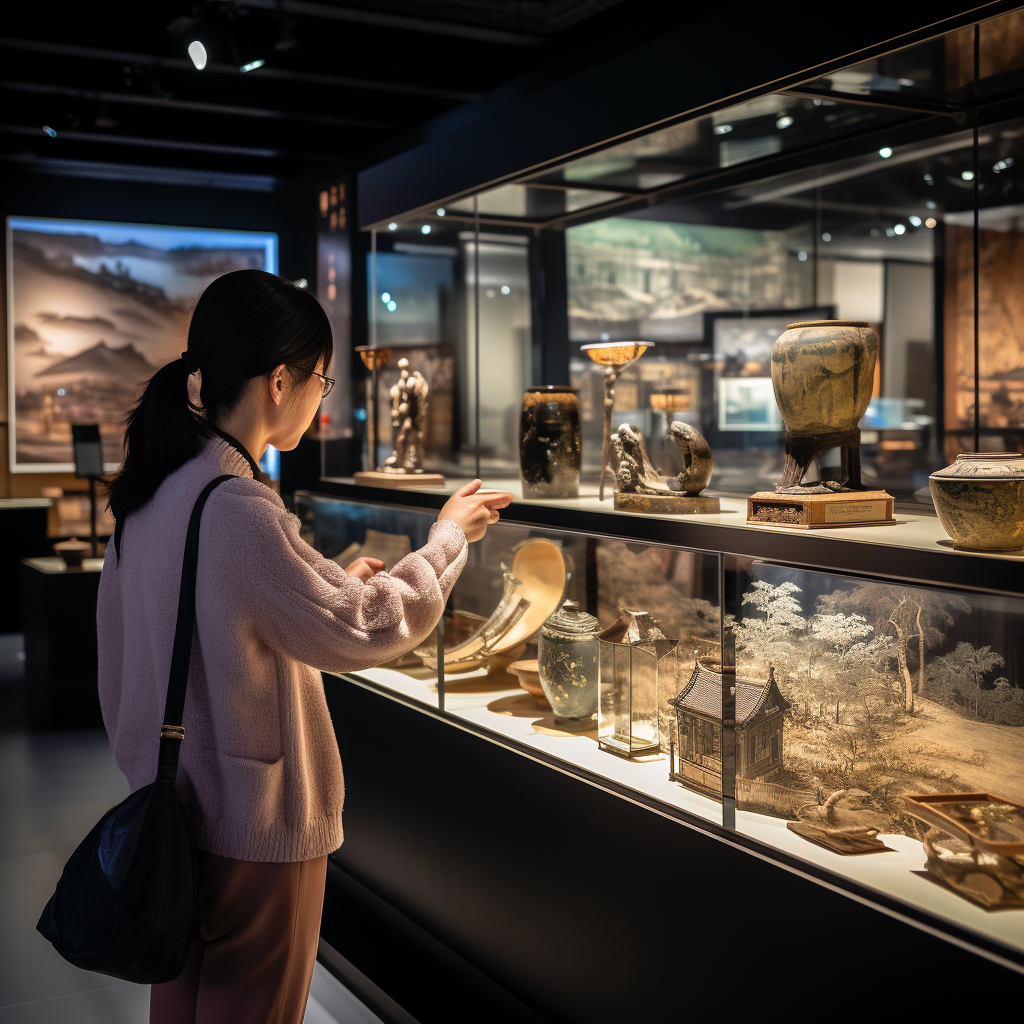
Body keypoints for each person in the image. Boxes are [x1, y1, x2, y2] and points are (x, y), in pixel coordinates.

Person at [98, 269, 512, 1024]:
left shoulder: (151, 491)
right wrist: (449, 537)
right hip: (252, 829)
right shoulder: (238, 509)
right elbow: (372, 625)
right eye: (322, 379)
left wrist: (323, 585)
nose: (324, 397)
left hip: (169, 812)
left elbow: (147, 645)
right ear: (280, 379)